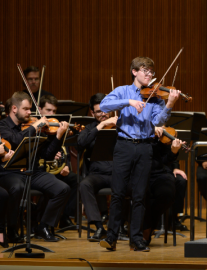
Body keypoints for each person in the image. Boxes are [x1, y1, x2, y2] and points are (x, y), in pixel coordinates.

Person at [99, 56, 180, 252]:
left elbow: (158, 121)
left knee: (140, 195)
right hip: (124, 145)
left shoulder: (155, 96)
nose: (149, 74)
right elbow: (103, 106)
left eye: (151, 71)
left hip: (145, 147)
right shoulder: (122, 91)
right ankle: (111, 237)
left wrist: (169, 104)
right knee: (117, 193)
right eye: (145, 70)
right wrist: (129, 102)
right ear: (134, 72)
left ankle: (136, 238)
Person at [0, 91, 71, 241]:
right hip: (10, 172)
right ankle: (12, 230)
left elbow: (47, 155)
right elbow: (14, 141)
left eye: (30, 109)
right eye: (25, 109)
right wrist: (34, 127)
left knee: (62, 189)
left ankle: (43, 226)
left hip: (32, 171)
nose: (29, 112)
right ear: (14, 109)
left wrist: (58, 136)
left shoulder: (34, 125)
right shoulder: (3, 125)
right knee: (16, 188)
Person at [78, 93, 118, 242]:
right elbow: (81, 144)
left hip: (117, 173)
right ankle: (99, 226)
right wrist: (100, 127)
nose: (103, 114)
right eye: (99, 112)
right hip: (97, 174)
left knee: (132, 184)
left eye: (106, 110)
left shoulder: (119, 125)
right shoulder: (89, 128)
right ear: (92, 112)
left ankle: (119, 226)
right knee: (84, 184)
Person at [37, 95, 79, 229]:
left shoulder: (56, 128)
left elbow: (64, 149)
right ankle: (41, 222)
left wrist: (65, 165)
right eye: (48, 110)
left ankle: (65, 217)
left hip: (55, 169)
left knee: (75, 180)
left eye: (54, 111)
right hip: (40, 170)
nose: (51, 114)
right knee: (54, 185)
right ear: (39, 109)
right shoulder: (36, 128)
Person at [142, 127, 186, 245]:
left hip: (160, 172)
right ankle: (143, 229)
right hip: (139, 172)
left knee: (167, 193)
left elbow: (165, 161)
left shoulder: (164, 135)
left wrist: (173, 152)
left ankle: (148, 227)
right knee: (142, 194)